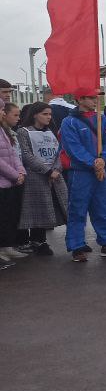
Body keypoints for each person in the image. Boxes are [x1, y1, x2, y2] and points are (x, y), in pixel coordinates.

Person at [60, 91, 106, 261]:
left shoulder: (102, 119)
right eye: (91, 97)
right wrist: (94, 163)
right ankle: (76, 246)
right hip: (81, 172)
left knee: (104, 208)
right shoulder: (69, 122)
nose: (96, 100)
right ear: (79, 99)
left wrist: (104, 159)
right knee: (77, 209)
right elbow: (73, 148)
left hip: (103, 169)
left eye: (96, 97)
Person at [15, 103, 68, 257]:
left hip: (55, 176)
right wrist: (47, 171)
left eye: (50, 114)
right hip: (36, 176)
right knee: (37, 209)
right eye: (45, 114)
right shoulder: (23, 132)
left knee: (52, 207)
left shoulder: (51, 131)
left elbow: (59, 152)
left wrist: (57, 169)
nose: (49, 117)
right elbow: (26, 154)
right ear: (34, 115)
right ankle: (37, 241)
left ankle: (40, 239)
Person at [0, 102, 27, 267]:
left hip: (9, 182)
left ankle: (6, 246)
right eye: (1, 110)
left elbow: (13, 153)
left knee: (9, 217)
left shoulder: (3, 130)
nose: (3, 113)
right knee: (3, 217)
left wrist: (21, 172)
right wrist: (15, 175)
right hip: (4, 180)